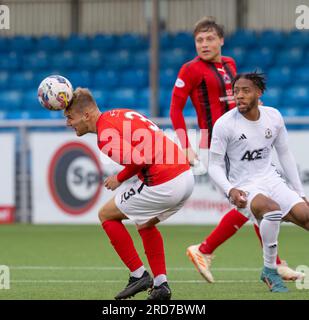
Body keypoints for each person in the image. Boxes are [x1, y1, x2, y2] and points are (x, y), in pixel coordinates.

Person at [169, 16, 303, 282]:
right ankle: (207, 250)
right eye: (199, 40)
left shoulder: (230, 64)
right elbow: (175, 109)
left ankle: (266, 262)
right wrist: (185, 145)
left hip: (242, 142)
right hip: (216, 142)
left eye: (209, 39)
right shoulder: (190, 70)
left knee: (255, 205)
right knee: (250, 202)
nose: (204, 45)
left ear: (221, 40)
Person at [64, 88, 194, 300]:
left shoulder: (105, 136)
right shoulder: (120, 113)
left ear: (86, 115)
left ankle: (138, 275)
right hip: (186, 176)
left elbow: (138, 160)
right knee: (144, 222)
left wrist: (119, 178)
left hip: (165, 181)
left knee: (106, 215)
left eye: (70, 117)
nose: (68, 123)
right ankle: (161, 285)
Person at [208, 72, 309, 292]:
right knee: (271, 210)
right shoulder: (224, 124)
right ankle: (270, 270)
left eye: (245, 91)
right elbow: (213, 165)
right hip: (244, 186)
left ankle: (271, 268)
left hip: (271, 179)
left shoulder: (273, 116)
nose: (239, 96)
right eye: (236, 92)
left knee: (305, 216)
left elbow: (285, 154)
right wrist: (229, 189)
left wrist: (300, 192)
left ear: (259, 93)